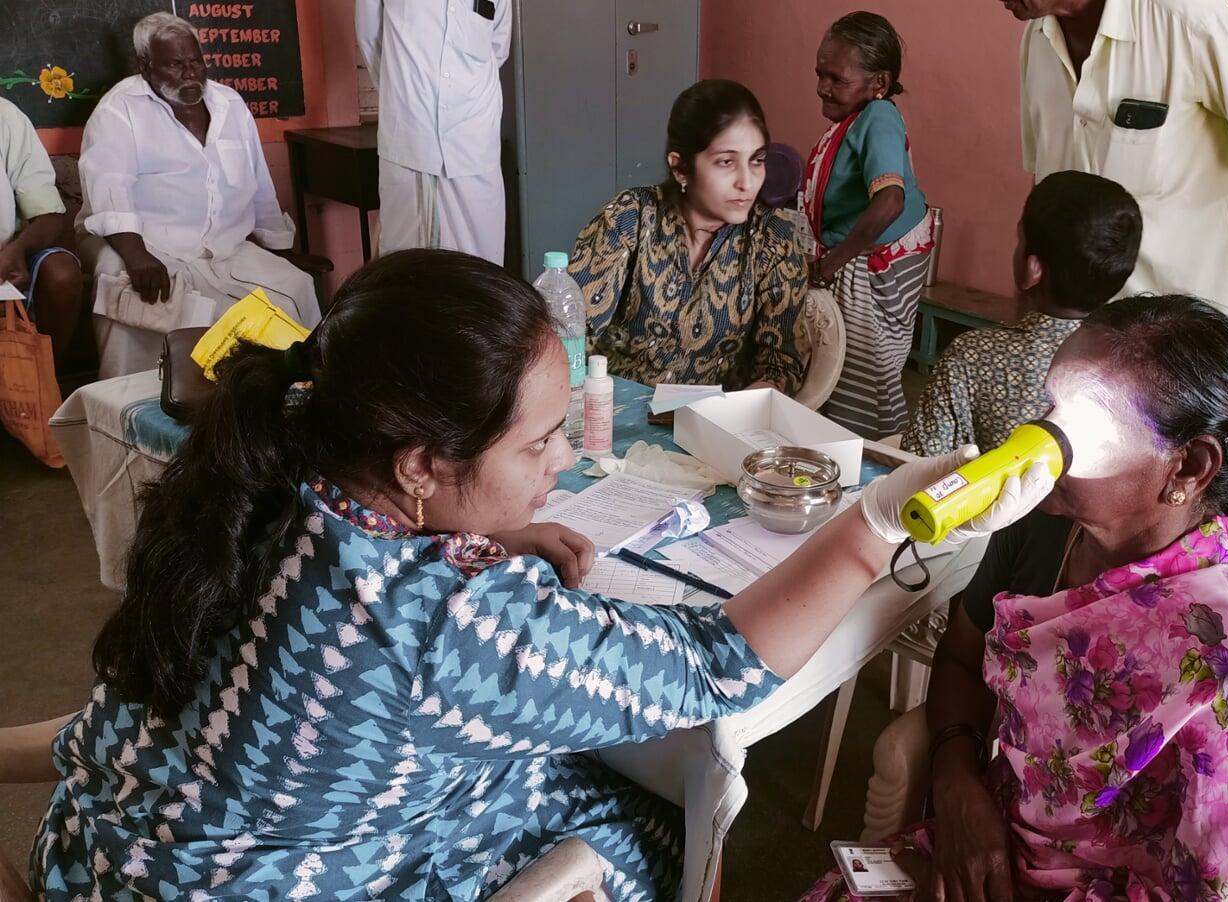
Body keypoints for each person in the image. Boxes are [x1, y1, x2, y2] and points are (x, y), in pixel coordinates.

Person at [18, 249, 1048, 899]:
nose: (559, 466)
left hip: (116, 849)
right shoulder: (443, 619)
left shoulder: (265, 480)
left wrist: (490, 540)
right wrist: (873, 517)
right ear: (421, 465)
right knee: (646, 813)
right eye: (539, 445)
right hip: (270, 878)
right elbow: (723, 665)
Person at [803, 296, 1228, 901]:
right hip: (1011, 846)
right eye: (1051, 404)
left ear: (1187, 467)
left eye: (1088, 419)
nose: (1041, 438)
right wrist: (956, 780)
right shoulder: (1039, 524)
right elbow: (959, 658)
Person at [1006, 0, 1228, 347]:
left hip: (1184, 322)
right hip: (1082, 325)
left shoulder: (1188, 17)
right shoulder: (1038, 39)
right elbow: (1046, 180)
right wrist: (1030, 286)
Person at [77, 12, 321, 379]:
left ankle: (298, 391)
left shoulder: (229, 104)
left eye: (196, 61)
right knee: (125, 286)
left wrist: (283, 252)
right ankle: (129, 402)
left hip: (225, 248)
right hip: (153, 246)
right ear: (146, 65)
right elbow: (110, 189)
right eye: (176, 65)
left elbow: (259, 185)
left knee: (296, 285)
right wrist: (136, 253)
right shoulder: (119, 110)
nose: (191, 74)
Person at [570, 80, 810, 393]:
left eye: (757, 160)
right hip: (614, 411)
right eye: (726, 162)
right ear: (681, 168)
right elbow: (572, 333)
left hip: (713, 422)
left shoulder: (772, 242)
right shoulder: (632, 218)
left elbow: (781, 363)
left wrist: (733, 418)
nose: (747, 182)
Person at [902, 171, 1139, 457]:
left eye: (1020, 239)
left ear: (1033, 270)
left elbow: (920, 462)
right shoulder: (1134, 369)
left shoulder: (973, 356)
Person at [801, 11, 935, 439]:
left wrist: (831, 264)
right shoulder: (856, 121)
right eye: (820, 74)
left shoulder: (878, 118)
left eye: (836, 79)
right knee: (840, 374)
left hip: (873, 269)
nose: (823, 86)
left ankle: (875, 458)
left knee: (864, 373)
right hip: (856, 257)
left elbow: (890, 201)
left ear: (878, 83)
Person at [357, 0, 512, 264]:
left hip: (474, 139)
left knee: (484, 263)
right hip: (413, 139)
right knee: (408, 264)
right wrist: (406, 98)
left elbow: (497, 48)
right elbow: (370, 40)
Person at [0, 97, 81, 367]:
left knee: (61, 272)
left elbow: (49, 214)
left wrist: (17, 250)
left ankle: (43, 384)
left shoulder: (6, 116)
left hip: (3, 260)